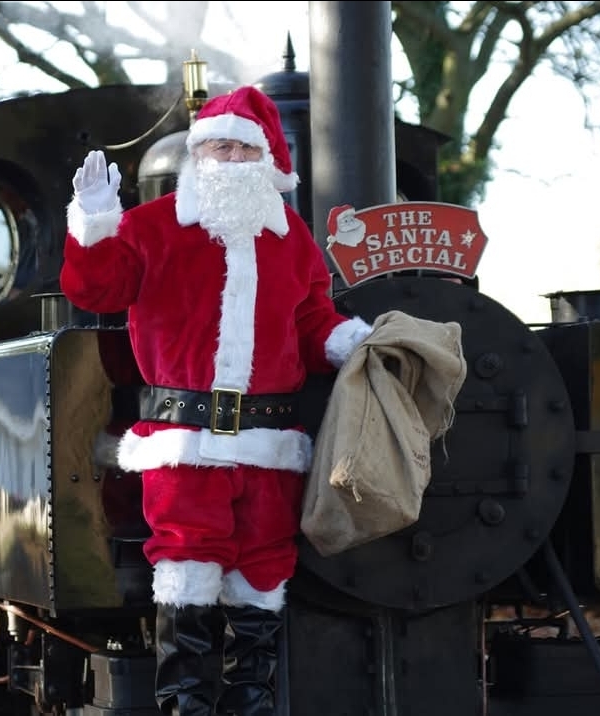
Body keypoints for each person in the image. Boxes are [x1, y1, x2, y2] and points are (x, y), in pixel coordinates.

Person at [59, 86, 373, 716]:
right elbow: (99, 290)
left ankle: (250, 702)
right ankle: (186, 703)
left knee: (262, 570)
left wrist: (351, 343)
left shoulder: (293, 241)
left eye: (240, 147)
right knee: (187, 563)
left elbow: (311, 318)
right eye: (215, 146)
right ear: (196, 156)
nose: (227, 158)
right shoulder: (151, 227)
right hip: (183, 443)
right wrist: (94, 224)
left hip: (269, 444)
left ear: (266, 161)